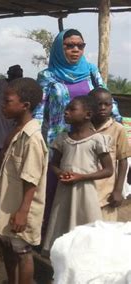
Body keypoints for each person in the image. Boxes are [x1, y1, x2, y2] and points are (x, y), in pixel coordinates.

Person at [34, 28, 121, 238]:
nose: (75, 50)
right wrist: (35, 138)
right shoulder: (48, 76)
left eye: (80, 45)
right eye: (69, 45)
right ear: (59, 48)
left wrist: (118, 128)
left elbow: (108, 100)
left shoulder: (91, 71)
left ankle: (85, 236)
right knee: (57, 188)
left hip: (91, 141)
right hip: (60, 142)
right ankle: (54, 236)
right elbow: (39, 111)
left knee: (89, 189)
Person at [0, 78, 48, 284]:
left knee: (22, 252)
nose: (2, 105)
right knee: (8, 248)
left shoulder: (32, 138)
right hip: (9, 204)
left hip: (21, 208)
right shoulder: (16, 130)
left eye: (7, 101)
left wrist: (23, 212)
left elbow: (31, 179)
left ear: (25, 106)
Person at [43, 96, 114, 252]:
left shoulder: (97, 140)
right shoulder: (62, 138)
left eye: (72, 109)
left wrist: (82, 177)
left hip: (85, 192)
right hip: (64, 191)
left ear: (87, 115)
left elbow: (108, 170)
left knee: (85, 229)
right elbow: (53, 164)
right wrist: (60, 173)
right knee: (62, 226)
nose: (66, 113)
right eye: (66, 110)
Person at [90, 88, 131, 221]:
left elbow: (123, 160)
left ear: (112, 106)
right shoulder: (81, 128)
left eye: (107, 104)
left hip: (106, 195)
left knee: (105, 233)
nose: (103, 108)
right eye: (98, 104)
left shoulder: (118, 129)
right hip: (84, 192)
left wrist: (118, 190)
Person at [0, 64, 23, 170]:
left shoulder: (20, 86)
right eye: (14, 73)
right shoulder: (0, 83)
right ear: (9, 74)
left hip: (10, 119)